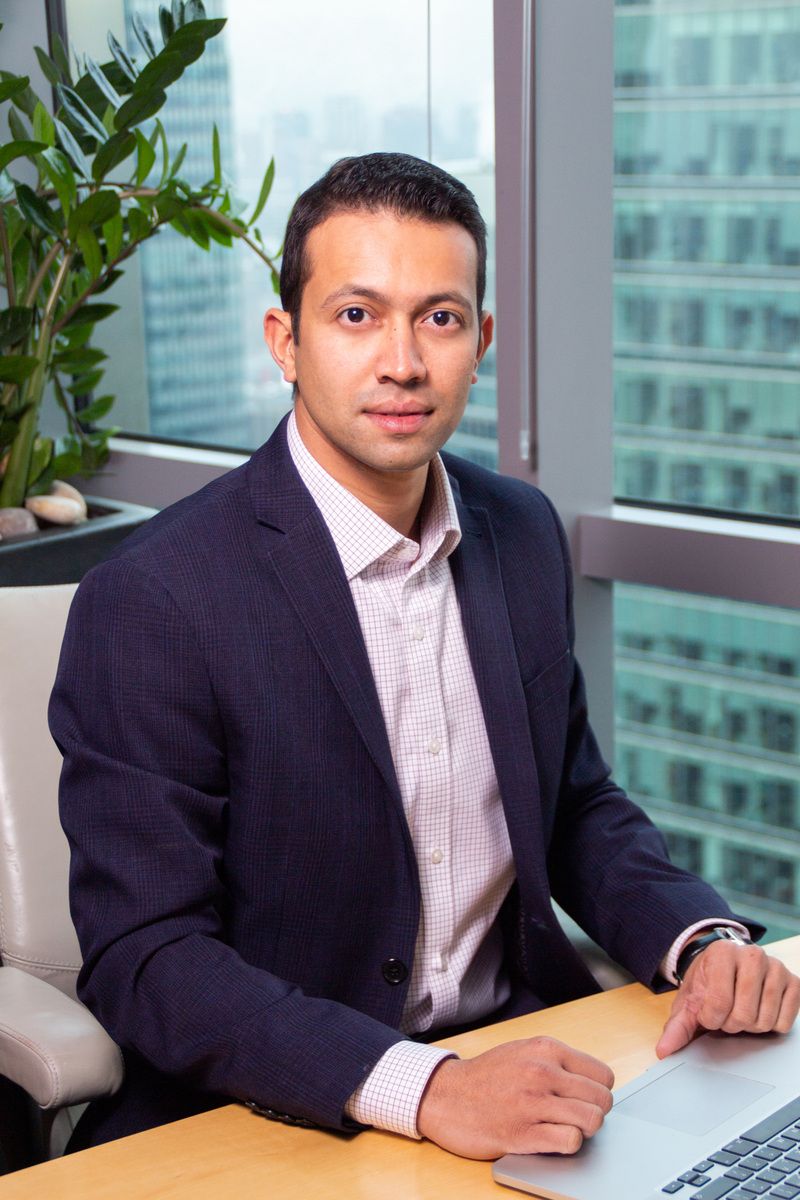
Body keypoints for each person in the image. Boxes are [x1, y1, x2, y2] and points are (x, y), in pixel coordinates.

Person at [51, 152, 800, 1159]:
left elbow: (570, 803)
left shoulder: (519, 532)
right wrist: (424, 1088)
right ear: (286, 340)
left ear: (480, 340)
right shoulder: (154, 599)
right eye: (355, 316)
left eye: (438, 318)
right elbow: (147, 957)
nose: (401, 362)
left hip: (530, 1065)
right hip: (284, 1110)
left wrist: (696, 940)